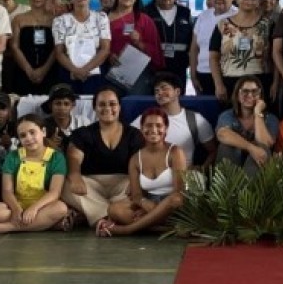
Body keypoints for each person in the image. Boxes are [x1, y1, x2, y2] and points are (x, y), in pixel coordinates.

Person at [0, 113, 72, 234]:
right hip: (17, 204)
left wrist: (34, 209)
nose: (28, 138)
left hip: (43, 206)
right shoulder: (13, 156)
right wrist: (16, 209)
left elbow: (55, 192)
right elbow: (7, 191)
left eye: (32, 132)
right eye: (23, 135)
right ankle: (45, 224)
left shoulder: (56, 157)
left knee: (61, 208)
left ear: (43, 132)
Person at [98, 108, 187, 237]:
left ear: (166, 129)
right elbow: (136, 195)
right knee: (114, 209)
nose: (153, 130)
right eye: (148, 125)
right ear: (141, 129)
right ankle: (163, 228)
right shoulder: (135, 159)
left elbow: (179, 191)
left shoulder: (175, 152)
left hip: (173, 205)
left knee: (175, 199)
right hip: (149, 202)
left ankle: (127, 230)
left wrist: (156, 209)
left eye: (159, 125)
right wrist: (146, 205)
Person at [65, 87, 143, 226]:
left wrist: (135, 182)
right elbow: (74, 157)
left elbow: (138, 162)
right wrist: (75, 176)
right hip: (90, 185)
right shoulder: (83, 133)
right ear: (94, 108)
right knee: (65, 185)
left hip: (124, 184)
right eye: (102, 104)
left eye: (112, 104)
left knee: (141, 185)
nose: (107, 108)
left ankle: (95, 215)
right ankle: (108, 217)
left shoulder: (134, 134)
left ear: (119, 107)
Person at [133, 71, 216, 165]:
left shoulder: (195, 119)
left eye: (164, 88)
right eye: (156, 91)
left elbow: (213, 151)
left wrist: (201, 170)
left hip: (184, 171)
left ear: (177, 92)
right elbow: (127, 140)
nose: (160, 93)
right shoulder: (146, 118)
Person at [209, 0, 270, 103]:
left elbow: (275, 56)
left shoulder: (268, 25)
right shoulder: (223, 24)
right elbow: (213, 57)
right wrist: (218, 84)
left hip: (260, 82)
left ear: (259, 1)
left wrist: (275, 84)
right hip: (230, 82)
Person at [105, 0, 163, 95]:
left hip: (138, 74)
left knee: (134, 103)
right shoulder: (103, 18)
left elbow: (156, 50)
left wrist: (139, 43)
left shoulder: (145, 20)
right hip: (109, 70)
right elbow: (96, 45)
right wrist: (109, 56)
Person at [53, 0, 110, 95]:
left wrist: (85, 70)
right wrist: (76, 71)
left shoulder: (101, 18)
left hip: (95, 74)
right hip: (69, 73)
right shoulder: (60, 21)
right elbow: (59, 52)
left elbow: (105, 49)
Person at [215, 76, 279, 174]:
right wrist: (250, 148)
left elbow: (265, 143)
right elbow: (222, 134)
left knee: (262, 148)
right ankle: (227, 183)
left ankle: (250, 184)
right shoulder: (228, 115)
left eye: (255, 91)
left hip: (257, 165)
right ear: (237, 95)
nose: (250, 95)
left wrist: (257, 112)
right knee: (225, 146)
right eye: (245, 91)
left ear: (260, 96)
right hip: (232, 164)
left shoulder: (271, 118)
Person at [8, 0, 58, 95]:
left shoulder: (55, 19)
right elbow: (14, 46)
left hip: (50, 73)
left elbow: (57, 47)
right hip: (23, 73)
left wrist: (43, 70)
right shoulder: (18, 19)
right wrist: (28, 70)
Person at [144, 0, 193, 91]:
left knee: (178, 95)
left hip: (180, 65)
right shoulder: (147, 12)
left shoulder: (185, 12)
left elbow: (192, 38)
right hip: (154, 65)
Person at [190, 0, 234, 95]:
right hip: (203, 73)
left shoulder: (238, 15)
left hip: (228, 75)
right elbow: (194, 49)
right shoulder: (203, 16)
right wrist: (193, 75)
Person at [41, 83, 91, 151]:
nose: (62, 108)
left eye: (66, 104)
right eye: (58, 103)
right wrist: (48, 144)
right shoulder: (42, 126)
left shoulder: (83, 123)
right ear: (50, 105)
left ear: (73, 105)